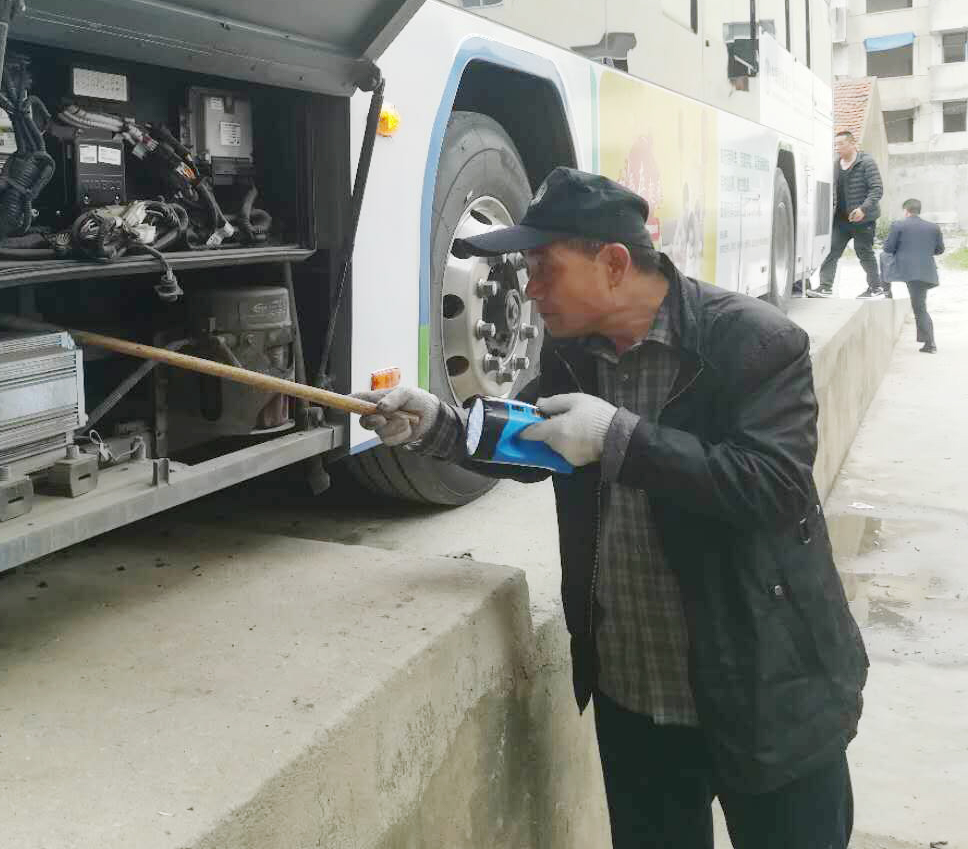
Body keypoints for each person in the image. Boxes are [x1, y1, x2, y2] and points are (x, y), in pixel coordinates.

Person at [355, 167, 868, 849]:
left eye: (544, 267)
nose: (529, 289)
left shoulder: (754, 342)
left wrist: (621, 440)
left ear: (615, 263)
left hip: (766, 688)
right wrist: (439, 427)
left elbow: (775, 488)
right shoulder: (574, 351)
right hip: (636, 692)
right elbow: (535, 436)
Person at [808, 130, 885, 299]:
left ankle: (876, 288)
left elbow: (877, 189)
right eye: (835, 145)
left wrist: (863, 209)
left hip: (863, 219)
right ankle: (825, 287)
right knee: (831, 251)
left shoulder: (866, 162)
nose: (837, 148)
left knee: (864, 252)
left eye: (841, 144)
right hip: (840, 220)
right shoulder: (835, 164)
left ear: (852, 144)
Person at [882, 198, 944, 353]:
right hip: (925, 272)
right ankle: (929, 343)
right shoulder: (934, 227)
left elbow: (888, 248)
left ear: (906, 211)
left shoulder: (898, 225)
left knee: (883, 257)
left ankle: (885, 290)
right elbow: (940, 250)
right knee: (920, 306)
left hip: (905, 270)